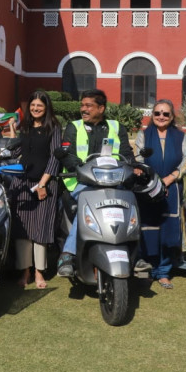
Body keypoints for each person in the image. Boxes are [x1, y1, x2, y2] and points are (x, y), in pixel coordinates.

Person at [56, 89, 134, 277]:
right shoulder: (74, 127)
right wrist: (81, 170)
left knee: (130, 204)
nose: (83, 109)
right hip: (81, 183)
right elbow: (67, 154)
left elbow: (127, 154)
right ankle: (68, 254)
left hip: (113, 183)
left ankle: (136, 253)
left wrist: (134, 166)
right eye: (82, 105)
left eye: (89, 106)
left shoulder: (116, 127)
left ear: (101, 108)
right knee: (88, 206)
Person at [134, 99, 186, 288]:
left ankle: (164, 271)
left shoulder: (180, 136)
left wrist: (170, 178)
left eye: (166, 113)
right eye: (157, 113)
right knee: (149, 228)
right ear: (152, 115)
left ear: (172, 116)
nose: (161, 116)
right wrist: (151, 179)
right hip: (148, 187)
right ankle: (148, 271)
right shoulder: (143, 135)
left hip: (171, 188)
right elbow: (139, 159)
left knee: (168, 229)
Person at [8, 91, 62, 289]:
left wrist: (42, 184)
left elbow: (55, 158)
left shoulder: (54, 127)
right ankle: (25, 271)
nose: (35, 109)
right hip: (22, 183)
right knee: (22, 230)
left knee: (41, 230)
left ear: (46, 107)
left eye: (39, 105)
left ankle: (39, 272)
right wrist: (12, 130)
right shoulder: (25, 126)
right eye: (32, 105)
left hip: (44, 184)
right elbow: (16, 152)